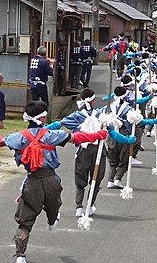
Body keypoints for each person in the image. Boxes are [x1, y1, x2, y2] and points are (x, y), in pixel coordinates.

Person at [0, 101, 107, 263]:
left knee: (25, 220)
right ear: (42, 117)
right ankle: (52, 221)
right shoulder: (50, 134)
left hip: (32, 181)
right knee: (54, 204)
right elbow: (76, 138)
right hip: (51, 179)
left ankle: (20, 256)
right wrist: (98, 135)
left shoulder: (19, 136)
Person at [53, 89, 135, 217]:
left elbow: (59, 124)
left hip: (82, 151)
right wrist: (128, 140)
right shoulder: (101, 115)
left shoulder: (76, 115)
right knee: (96, 178)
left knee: (80, 178)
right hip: (98, 151)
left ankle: (79, 206)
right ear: (92, 100)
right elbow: (113, 134)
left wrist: (41, 131)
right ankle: (90, 204)